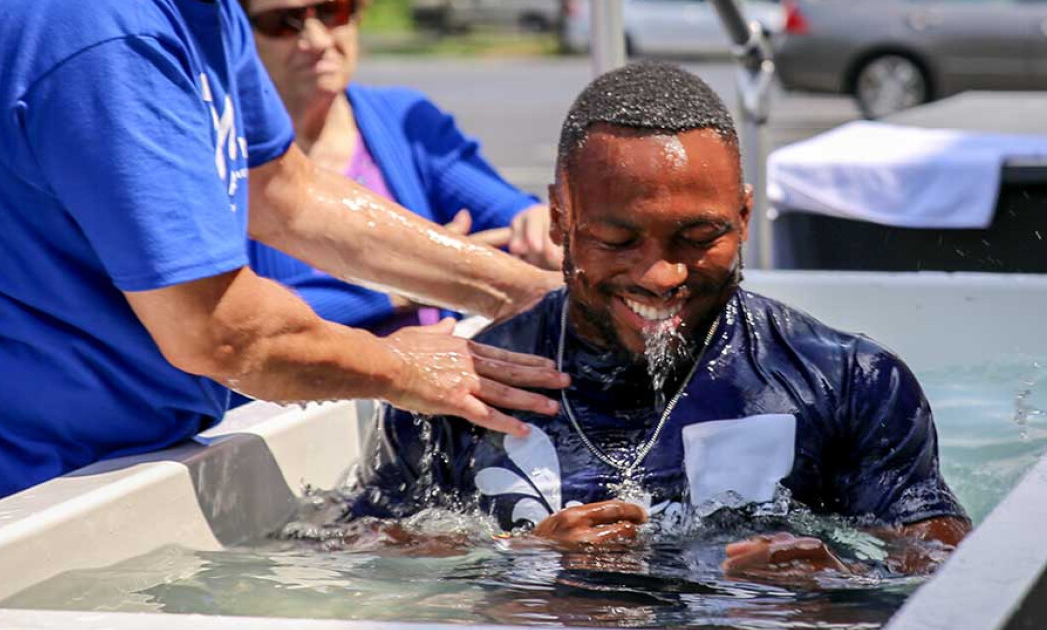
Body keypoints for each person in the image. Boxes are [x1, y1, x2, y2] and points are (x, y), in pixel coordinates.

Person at [0, 0, 567, 538]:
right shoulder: (101, 30)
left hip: (98, 469)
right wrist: (404, 369)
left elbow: (285, 193)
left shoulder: (202, 11)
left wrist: (535, 292)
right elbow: (218, 331)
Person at [349, 62, 971, 577]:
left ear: (745, 217)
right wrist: (520, 558)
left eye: (699, 236)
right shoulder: (457, 393)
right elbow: (353, 549)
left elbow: (946, 559)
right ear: (560, 219)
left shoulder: (850, 382)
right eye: (618, 240)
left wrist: (844, 576)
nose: (661, 275)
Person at [242, 0, 561, 334]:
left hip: (438, 378)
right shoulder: (225, 155)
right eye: (282, 22)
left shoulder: (405, 120)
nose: (318, 40)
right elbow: (232, 319)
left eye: (331, 12)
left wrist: (535, 223)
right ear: (238, 37)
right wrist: (413, 282)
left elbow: (512, 217)